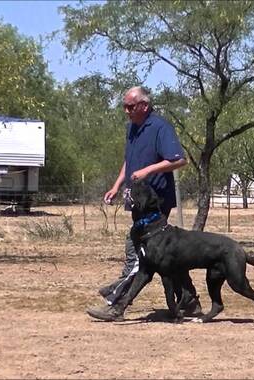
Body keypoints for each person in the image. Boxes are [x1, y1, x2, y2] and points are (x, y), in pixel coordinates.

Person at [86, 86, 201, 321]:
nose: (126, 111)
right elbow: (129, 163)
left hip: (155, 204)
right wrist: (117, 185)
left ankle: (115, 304)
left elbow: (179, 160)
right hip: (136, 202)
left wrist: (149, 170)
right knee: (165, 258)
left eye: (130, 106)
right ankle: (189, 301)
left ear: (144, 106)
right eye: (124, 107)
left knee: (137, 254)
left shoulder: (159, 127)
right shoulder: (132, 129)